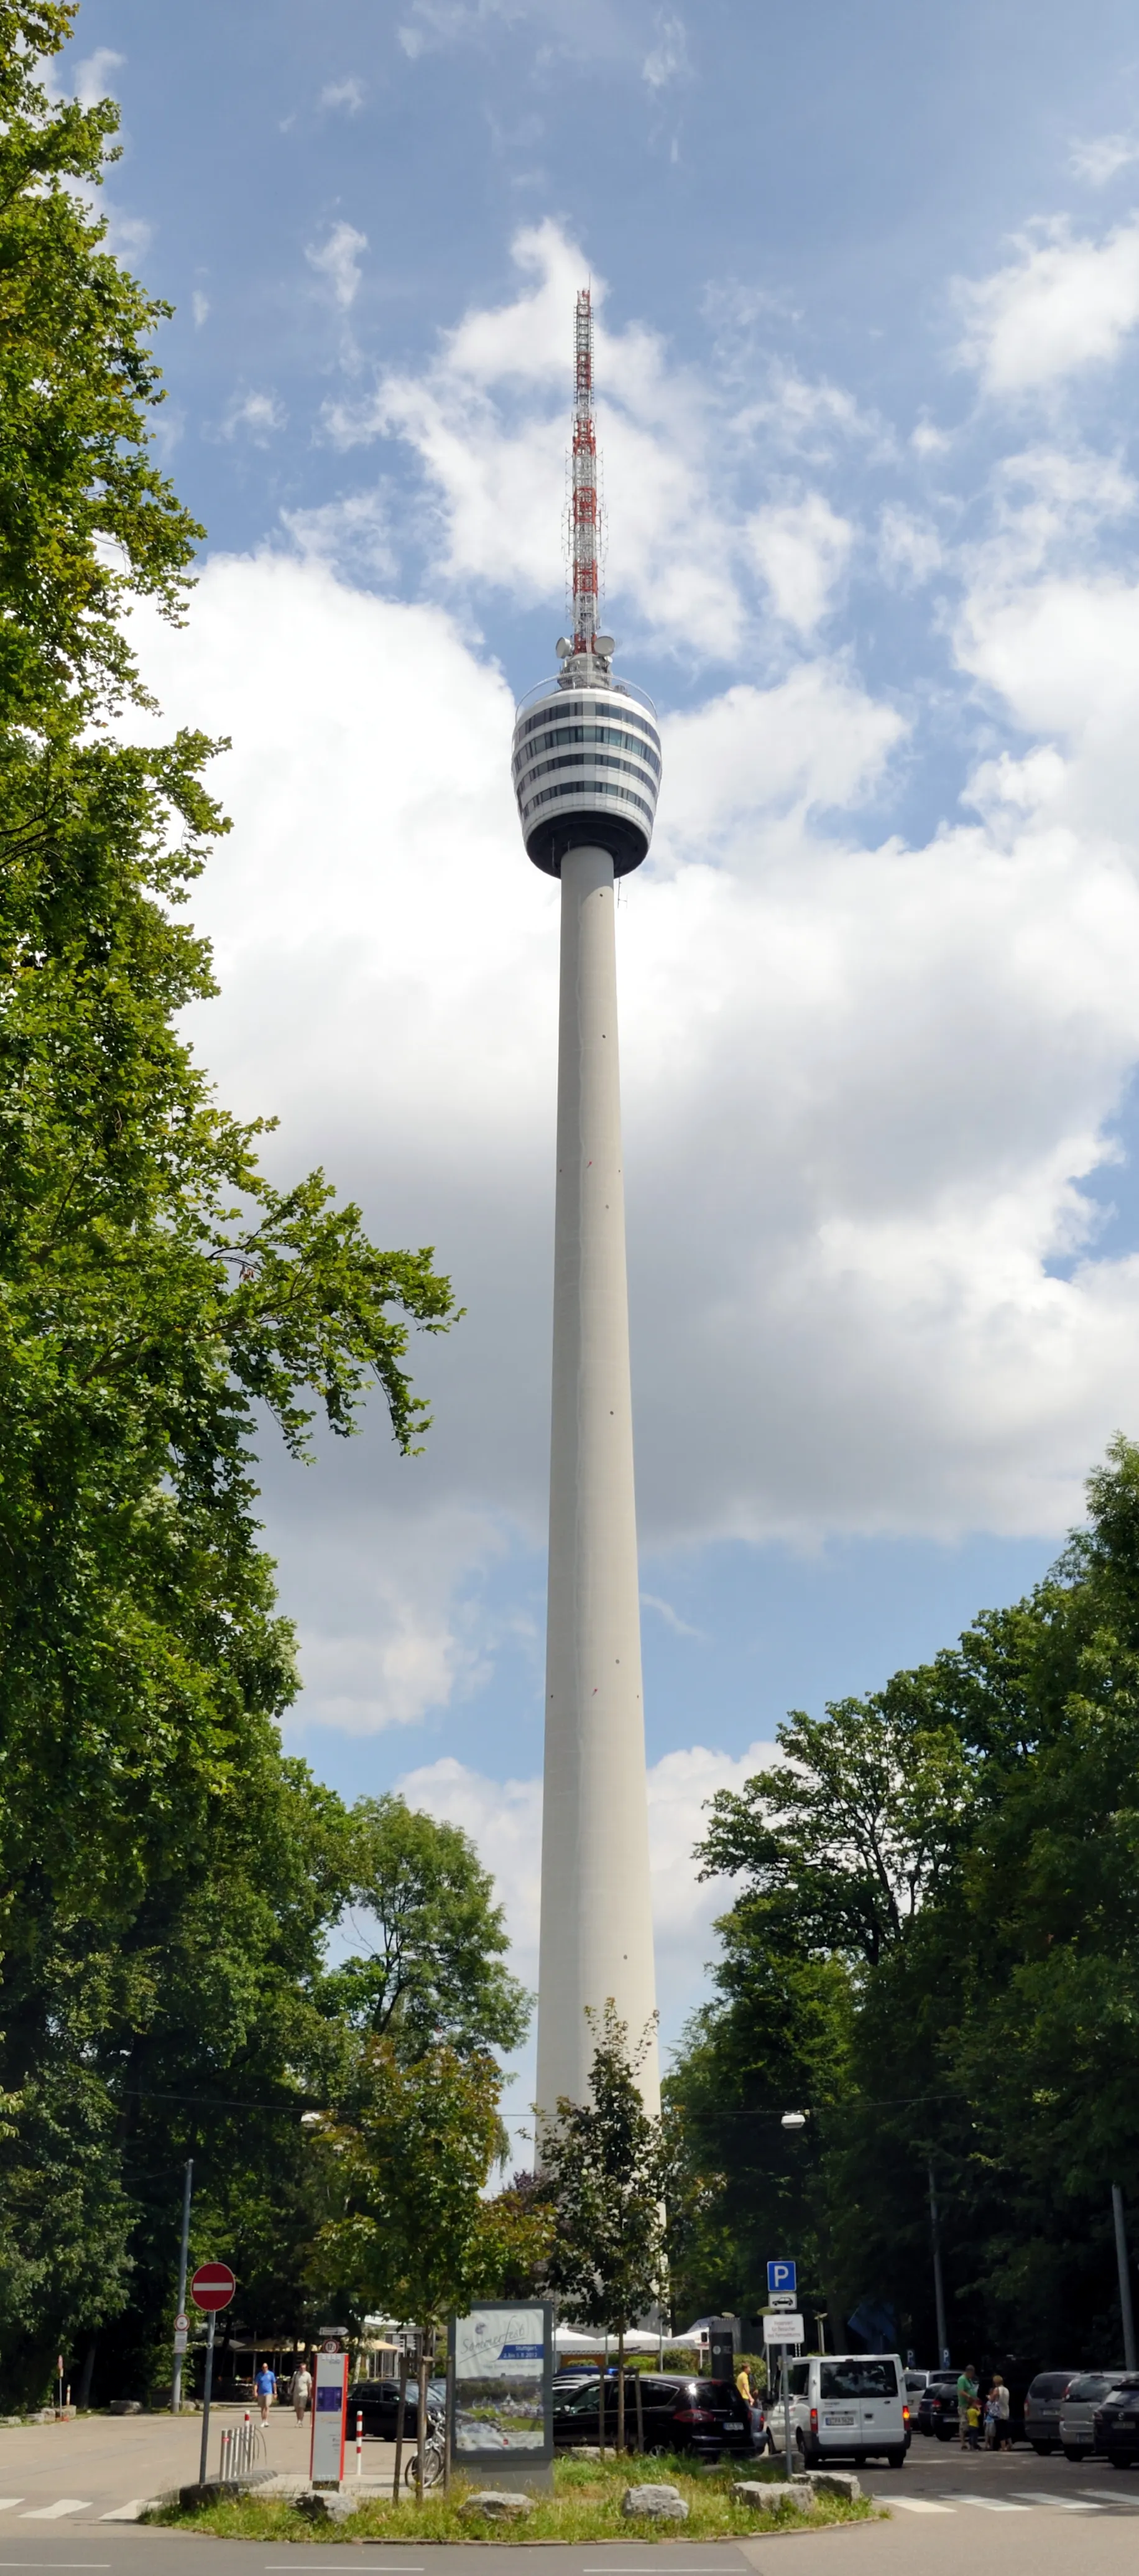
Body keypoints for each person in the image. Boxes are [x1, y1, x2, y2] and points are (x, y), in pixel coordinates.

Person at [986, 2373, 1010, 2450]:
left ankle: (1003, 2447)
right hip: (1006, 2410)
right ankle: (1010, 2445)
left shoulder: (997, 2389)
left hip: (999, 2411)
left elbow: (992, 2399)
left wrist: (989, 2397)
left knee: (1000, 2430)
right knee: (1006, 2429)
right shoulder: (1006, 2389)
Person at [957, 2363, 979, 2449]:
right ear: (969, 2372)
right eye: (972, 2374)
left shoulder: (969, 2380)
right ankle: (963, 2443)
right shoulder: (962, 2380)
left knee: (971, 2425)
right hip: (964, 2405)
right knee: (964, 2424)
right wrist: (969, 2396)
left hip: (971, 2405)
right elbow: (961, 2391)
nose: (972, 2376)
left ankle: (971, 2442)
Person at [255, 2359, 277, 2425]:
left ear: (267, 2367)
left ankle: (266, 2421)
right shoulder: (259, 2375)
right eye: (263, 2367)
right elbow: (256, 2384)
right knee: (262, 2407)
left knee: (267, 2406)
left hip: (269, 2392)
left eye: (266, 2367)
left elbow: (274, 2383)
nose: (264, 2368)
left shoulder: (271, 2374)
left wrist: (275, 2392)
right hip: (261, 2393)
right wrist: (255, 2392)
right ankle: (263, 2421)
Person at [290, 2358, 312, 2424]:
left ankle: (301, 2421)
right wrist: (290, 2390)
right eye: (302, 2368)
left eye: (304, 2368)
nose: (303, 2370)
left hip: (304, 2393)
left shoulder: (308, 2375)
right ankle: (298, 2420)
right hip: (296, 2393)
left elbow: (310, 2385)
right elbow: (293, 2383)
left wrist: (310, 2394)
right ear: (299, 2368)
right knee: (297, 2408)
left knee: (302, 2407)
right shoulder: (296, 2374)